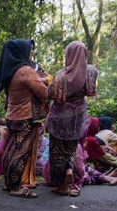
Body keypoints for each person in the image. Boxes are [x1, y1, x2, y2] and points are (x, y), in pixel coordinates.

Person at [0, 39, 48, 198]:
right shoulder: (26, 70)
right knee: (20, 152)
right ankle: (16, 186)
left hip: (12, 115)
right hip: (25, 117)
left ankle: (9, 183)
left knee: (11, 150)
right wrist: (47, 81)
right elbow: (43, 93)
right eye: (29, 50)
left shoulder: (11, 70)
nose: (31, 54)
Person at [46, 41, 97, 196]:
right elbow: (90, 91)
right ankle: (70, 169)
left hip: (59, 119)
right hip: (78, 118)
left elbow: (51, 95)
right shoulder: (91, 72)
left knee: (57, 152)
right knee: (71, 149)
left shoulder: (61, 75)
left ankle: (62, 185)